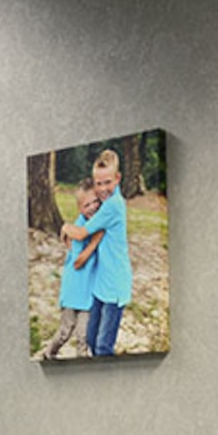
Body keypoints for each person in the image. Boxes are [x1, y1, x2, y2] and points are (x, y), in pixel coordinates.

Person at [61, 149, 133, 357]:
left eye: (107, 182)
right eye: (98, 183)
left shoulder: (113, 206)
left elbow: (82, 233)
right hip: (101, 283)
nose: (102, 189)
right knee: (91, 338)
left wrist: (65, 227)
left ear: (118, 178)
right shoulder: (104, 203)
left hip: (115, 285)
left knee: (102, 346)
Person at [42, 177, 106, 360]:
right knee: (65, 330)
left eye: (96, 201)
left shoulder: (97, 223)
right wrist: (94, 242)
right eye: (87, 205)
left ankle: (83, 366)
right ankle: (49, 353)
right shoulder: (77, 227)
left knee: (83, 336)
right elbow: (78, 262)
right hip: (73, 289)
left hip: (88, 291)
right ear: (79, 208)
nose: (93, 207)